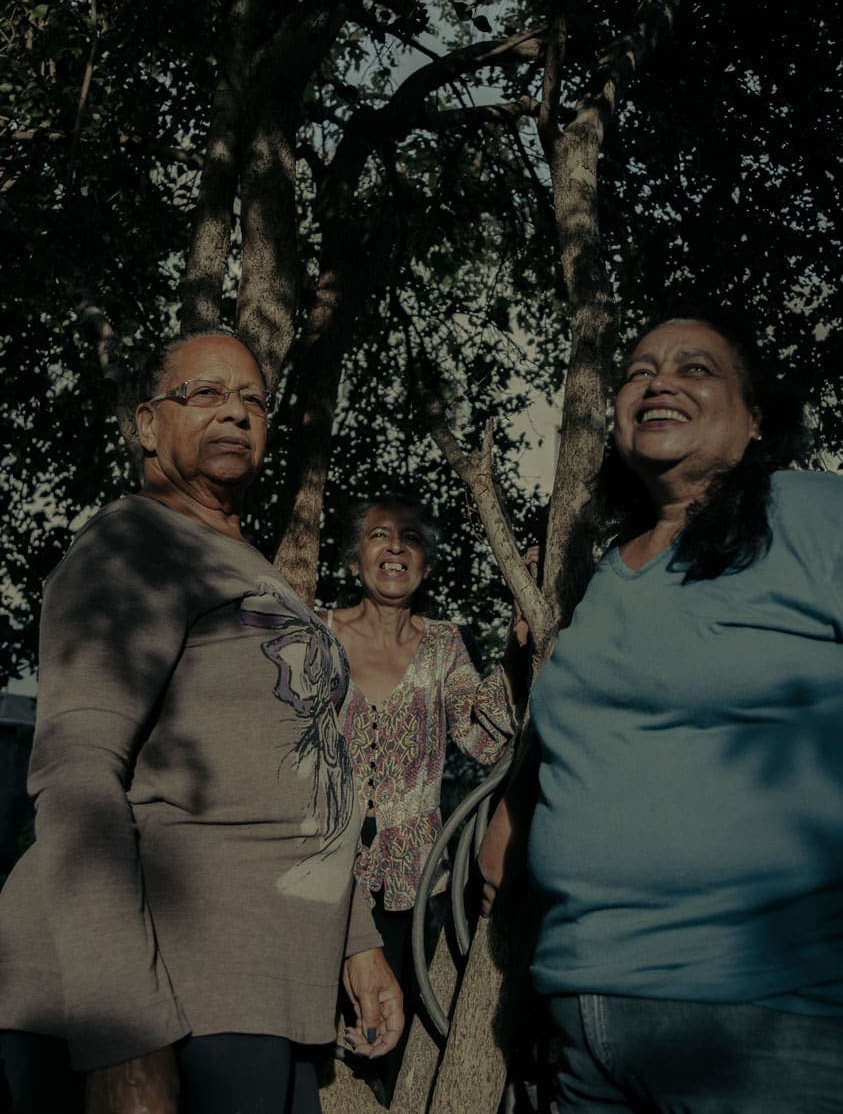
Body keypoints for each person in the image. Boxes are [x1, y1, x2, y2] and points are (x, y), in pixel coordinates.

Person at [0, 332, 402, 1114]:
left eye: (253, 398)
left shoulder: (246, 563)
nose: (237, 412)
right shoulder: (134, 543)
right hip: (162, 999)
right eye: (207, 393)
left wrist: (356, 940)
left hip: (253, 997)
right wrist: (122, 1030)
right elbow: (76, 775)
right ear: (148, 424)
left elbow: (301, 763)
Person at [480, 311, 843, 1113]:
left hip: (766, 1025)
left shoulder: (812, 514)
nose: (660, 380)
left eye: (695, 368)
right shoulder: (611, 571)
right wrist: (514, 804)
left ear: (754, 422)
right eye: (639, 369)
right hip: (583, 1028)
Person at [322, 493, 528, 1104]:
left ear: (426, 566)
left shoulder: (442, 644)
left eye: (409, 539)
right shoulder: (315, 631)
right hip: (323, 877)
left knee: (394, 1043)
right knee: (319, 1047)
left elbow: (484, 738)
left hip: (419, 886)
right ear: (355, 558)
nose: (394, 547)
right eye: (379, 535)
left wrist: (520, 646)